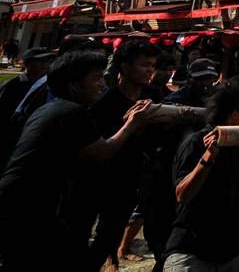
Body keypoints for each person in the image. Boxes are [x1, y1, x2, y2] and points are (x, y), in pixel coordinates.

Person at [0, 50, 152, 270]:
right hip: (28, 204)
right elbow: (103, 151)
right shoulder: (73, 113)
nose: (102, 84)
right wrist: (131, 125)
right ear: (73, 85)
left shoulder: (50, 108)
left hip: (20, 198)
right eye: (96, 78)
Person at [83, 39, 163, 269]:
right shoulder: (103, 102)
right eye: (144, 64)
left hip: (131, 179)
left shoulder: (153, 98)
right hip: (98, 177)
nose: (150, 70)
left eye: (153, 65)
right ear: (125, 67)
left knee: (110, 234)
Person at [165, 80, 239, 271]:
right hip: (191, 249)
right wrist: (209, 156)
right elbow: (182, 194)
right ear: (234, 115)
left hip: (230, 251)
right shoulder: (196, 143)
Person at [0, 47, 55, 161]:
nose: (44, 65)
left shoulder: (48, 86)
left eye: (47, 61)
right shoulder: (12, 85)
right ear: (27, 64)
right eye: (40, 61)